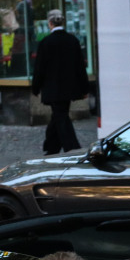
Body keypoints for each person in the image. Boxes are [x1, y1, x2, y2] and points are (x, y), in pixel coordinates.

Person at [31, 9, 89, 156]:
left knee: (60, 115)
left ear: (50, 23)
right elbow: (80, 67)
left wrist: (36, 87)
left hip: (52, 88)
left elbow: (40, 68)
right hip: (70, 87)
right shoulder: (73, 40)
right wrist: (84, 88)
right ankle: (51, 147)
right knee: (58, 115)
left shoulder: (45, 42)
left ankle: (72, 147)